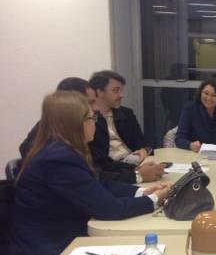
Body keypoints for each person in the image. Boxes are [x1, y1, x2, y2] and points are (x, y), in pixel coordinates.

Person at [10, 91, 171, 255]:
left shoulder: (62, 149)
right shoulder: (58, 159)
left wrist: (142, 193)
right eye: (92, 118)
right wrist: (155, 199)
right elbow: (109, 209)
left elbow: (99, 184)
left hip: (61, 239)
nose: (95, 123)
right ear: (74, 123)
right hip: (48, 254)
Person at [19, 77, 164, 184]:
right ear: (71, 102)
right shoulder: (51, 144)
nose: (95, 108)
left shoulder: (86, 125)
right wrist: (137, 176)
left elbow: (102, 162)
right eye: (90, 102)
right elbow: (93, 178)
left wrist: (134, 169)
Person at [90, 70, 151, 165]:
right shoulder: (89, 119)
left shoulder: (126, 113)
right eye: (115, 90)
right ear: (100, 92)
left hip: (134, 160)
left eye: (122, 90)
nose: (121, 95)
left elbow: (141, 142)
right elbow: (98, 161)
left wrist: (144, 150)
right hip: (112, 167)